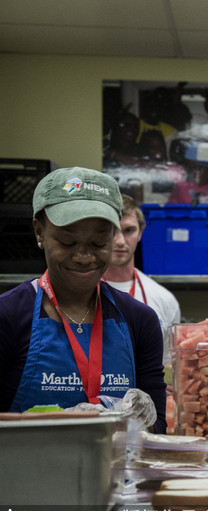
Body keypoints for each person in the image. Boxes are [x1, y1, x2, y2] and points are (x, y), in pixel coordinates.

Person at [0, 168, 167, 432]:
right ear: (39, 231)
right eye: (67, 242)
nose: (83, 257)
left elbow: (157, 428)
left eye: (99, 243)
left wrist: (141, 425)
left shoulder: (140, 320)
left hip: (114, 472)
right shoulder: (7, 315)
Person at [103, 194, 182, 367]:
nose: (120, 241)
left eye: (129, 230)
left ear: (141, 232)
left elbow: (168, 366)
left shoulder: (164, 299)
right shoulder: (80, 292)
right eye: (112, 231)